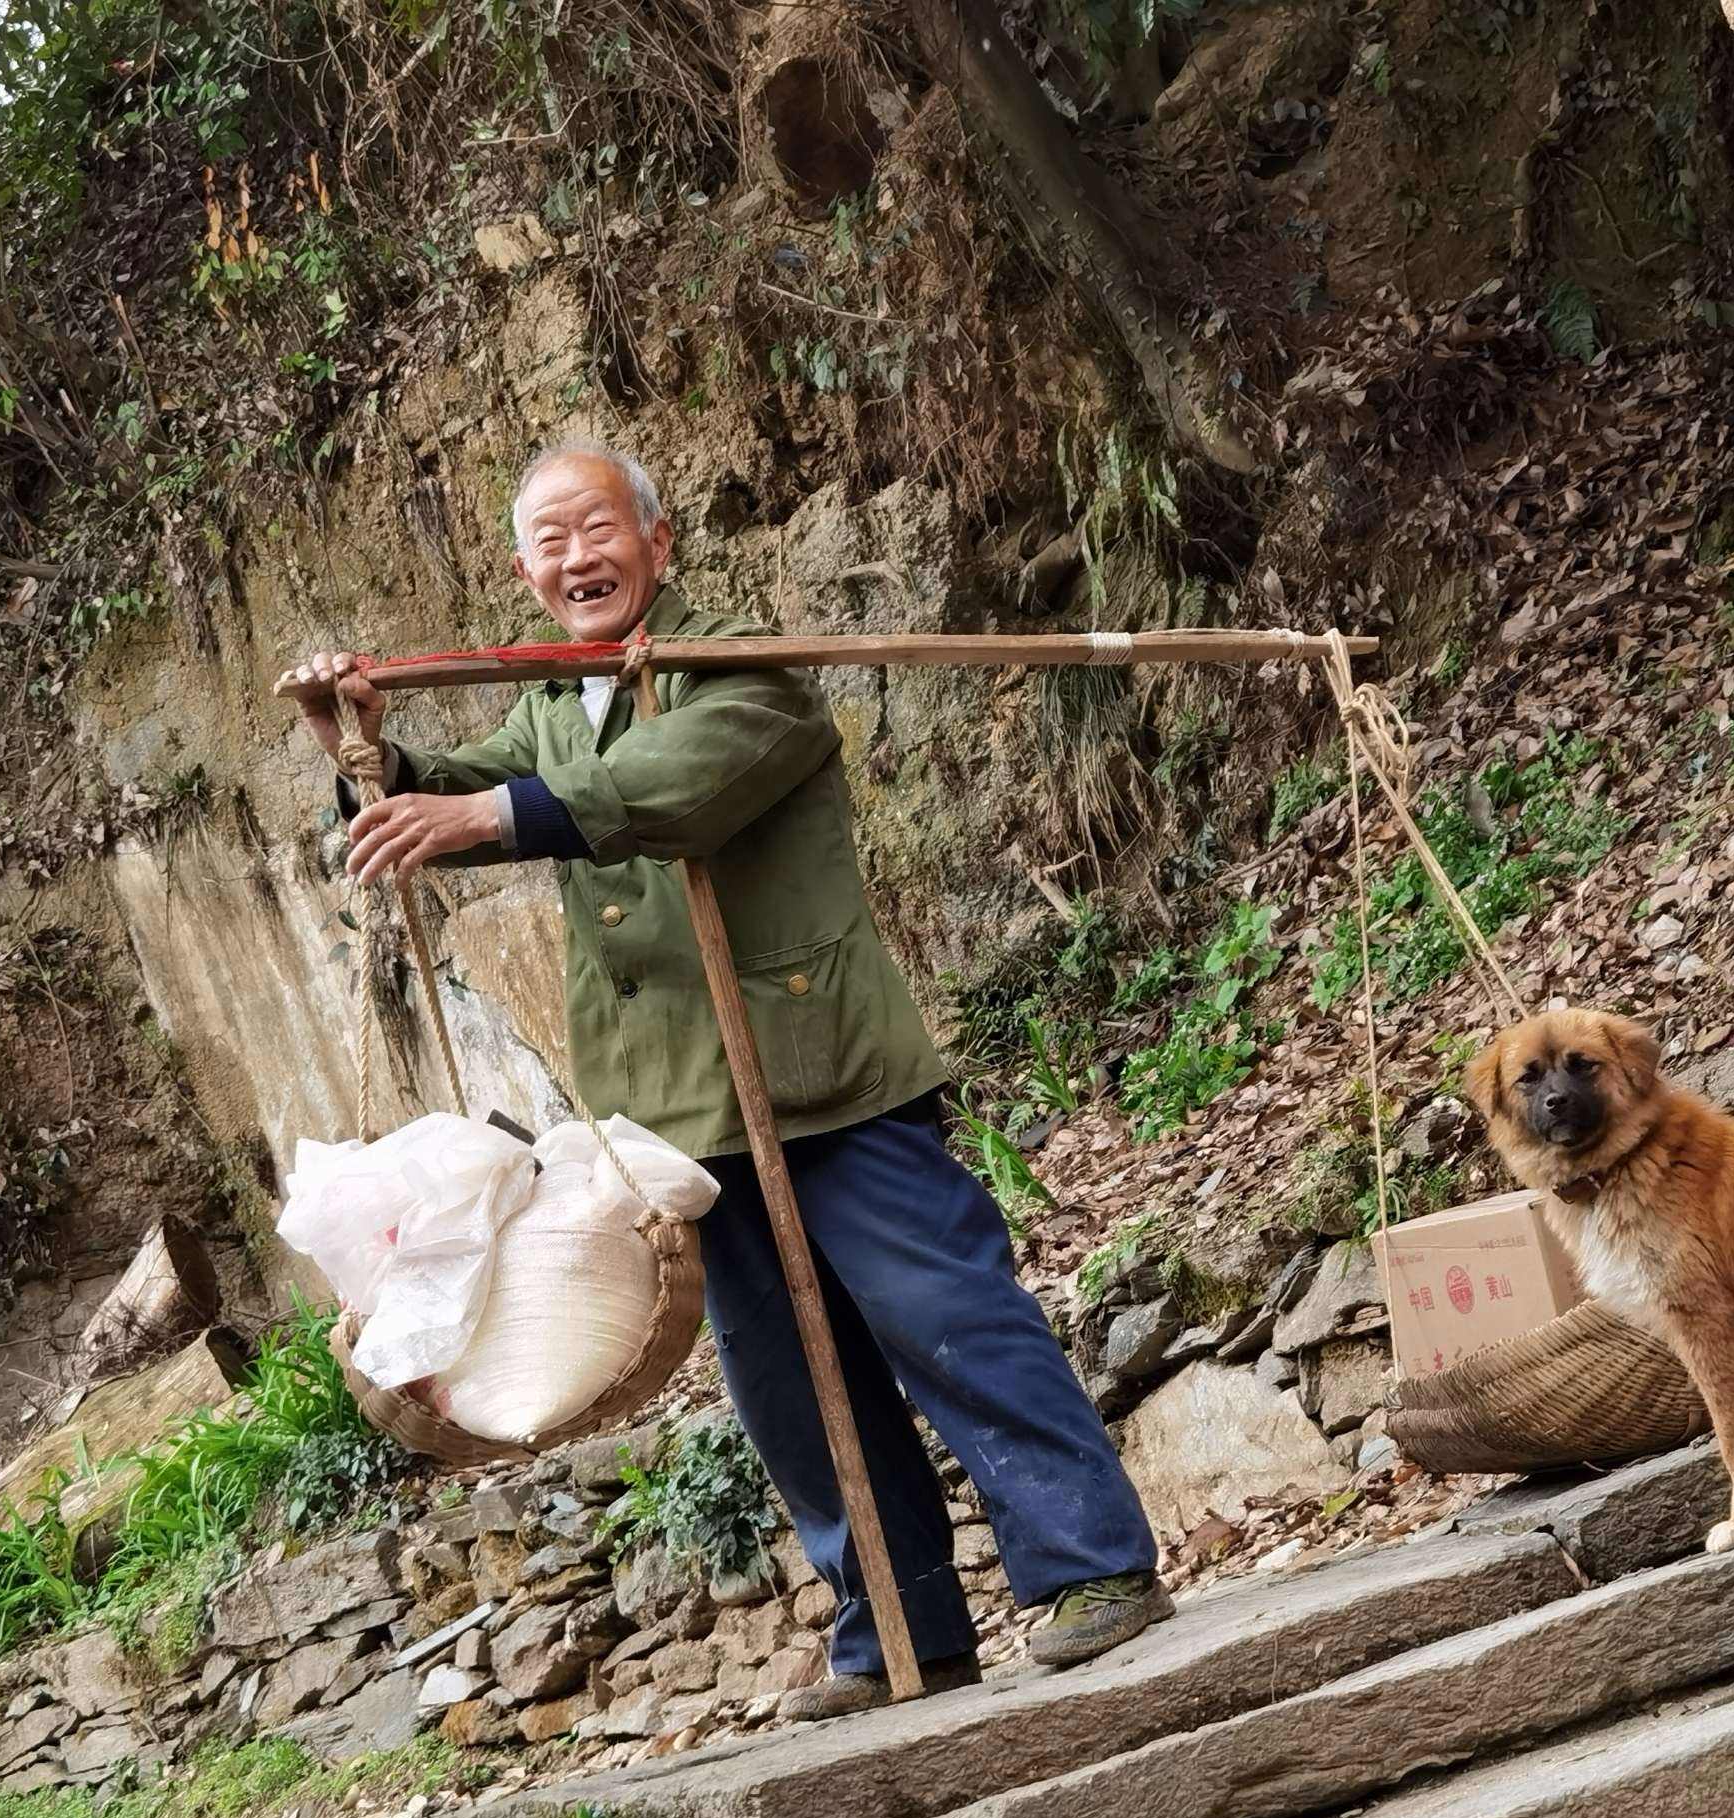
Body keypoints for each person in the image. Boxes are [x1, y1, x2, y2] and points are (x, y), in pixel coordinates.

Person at [282, 439, 1170, 1718]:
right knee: (783, 1383)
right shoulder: (553, 697)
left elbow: (671, 784)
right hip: (679, 1113)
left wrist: (491, 816)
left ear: (659, 540)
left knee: (947, 1315)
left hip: (817, 1067)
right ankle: (899, 1632)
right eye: (550, 541)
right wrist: (364, 755)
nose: (576, 558)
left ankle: (1092, 1567)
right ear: (525, 570)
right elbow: (464, 791)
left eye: (599, 530)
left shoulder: (742, 666)